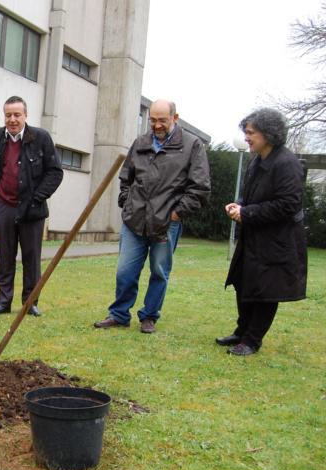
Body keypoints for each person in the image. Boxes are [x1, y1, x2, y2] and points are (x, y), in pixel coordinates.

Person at [94, 99, 210, 333]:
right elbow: (126, 177)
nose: (157, 125)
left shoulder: (192, 145)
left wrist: (176, 214)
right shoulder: (141, 143)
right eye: (153, 120)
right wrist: (126, 203)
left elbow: (200, 187)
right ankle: (119, 314)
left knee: (159, 272)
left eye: (162, 120)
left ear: (175, 118)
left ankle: (149, 316)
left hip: (166, 224)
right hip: (134, 220)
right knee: (125, 271)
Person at [218, 108, 307, 356]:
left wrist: (247, 213)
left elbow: (288, 204)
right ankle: (242, 331)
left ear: (268, 134)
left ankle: (252, 340)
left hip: (277, 242)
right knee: (243, 282)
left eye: (250, 133)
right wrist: (239, 205)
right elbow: (251, 195)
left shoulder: (287, 164)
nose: (246, 138)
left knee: (266, 290)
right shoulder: (257, 160)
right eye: (245, 132)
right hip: (254, 237)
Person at [0, 95, 63, 317]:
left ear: (26, 115)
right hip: (3, 207)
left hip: (32, 209)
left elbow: (55, 172)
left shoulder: (41, 138)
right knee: (5, 257)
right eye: (8, 115)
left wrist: (37, 198)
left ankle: (30, 303)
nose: (12, 119)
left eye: (17, 114)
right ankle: (3, 302)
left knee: (31, 258)